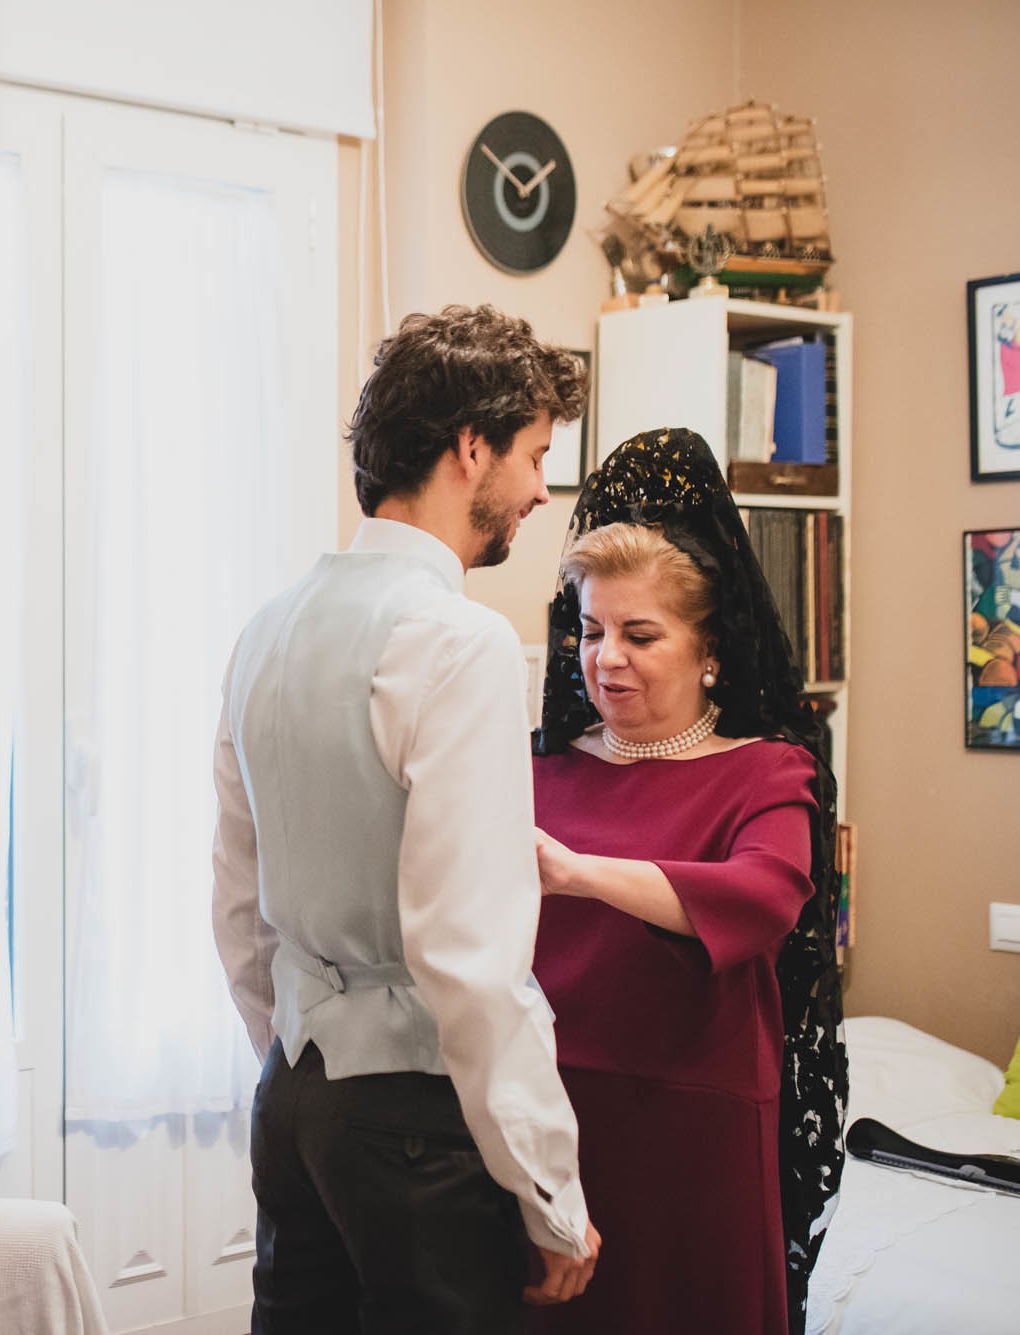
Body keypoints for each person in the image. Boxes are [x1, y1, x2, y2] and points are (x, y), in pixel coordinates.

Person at [211, 304, 601, 1335]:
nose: (538, 489)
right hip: (413, 1126)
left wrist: (299, 1053)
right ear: (467, 448)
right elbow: (468, 955)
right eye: (531, 454)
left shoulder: (264, 632)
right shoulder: (458, 643)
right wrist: (549, 1192)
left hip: (291, 1098)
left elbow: (239, 904)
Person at [527, 427, 847, 1335]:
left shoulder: (769, 770)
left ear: (709, 648)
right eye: (590, 632)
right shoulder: (541, 770)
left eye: (639, 634)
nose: (606, 659)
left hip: (695, 1142)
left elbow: (763, 897)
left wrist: (580, 873)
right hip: (553, 1129)